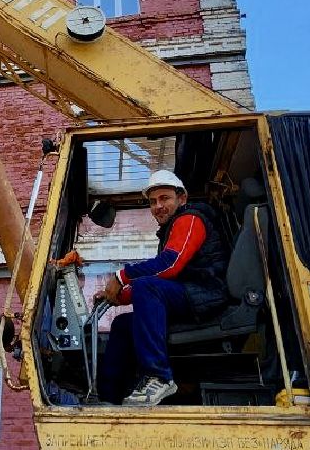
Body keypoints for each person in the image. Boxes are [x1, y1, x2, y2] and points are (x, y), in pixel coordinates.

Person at [95, 169, 229, 406]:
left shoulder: (190, 219)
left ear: (182, 198)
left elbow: (170, 266)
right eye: (153, 201)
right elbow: (164, 281)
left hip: (207, 294)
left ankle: (158, 377)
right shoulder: (171, 229)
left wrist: (121, 276)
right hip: (188, 294)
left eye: (165, 198)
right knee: (123, 324)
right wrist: (119, 297)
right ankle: (108, 397)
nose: (158, 206)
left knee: (148, 285)